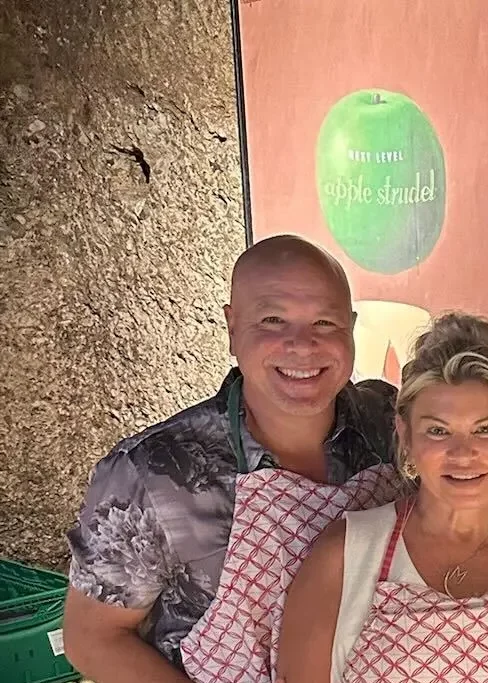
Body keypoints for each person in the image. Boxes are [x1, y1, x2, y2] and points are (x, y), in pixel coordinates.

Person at [61, 235, 399, 683]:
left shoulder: (391, 425)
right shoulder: (150, 473)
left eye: (325, 323)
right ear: (231, 327)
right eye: (273, 320)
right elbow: (93, 638)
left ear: (352, 328)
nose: (302, 346)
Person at [276, 313, 488, 682]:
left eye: (484, 429)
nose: (463, 454)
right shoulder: (346, 556)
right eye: (438, 430)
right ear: (406, 436)